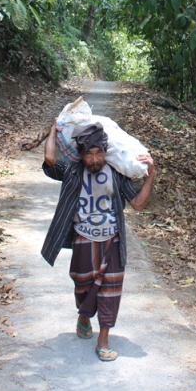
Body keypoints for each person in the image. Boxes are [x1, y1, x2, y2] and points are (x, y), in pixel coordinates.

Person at [41, 119, 155, 362]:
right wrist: (52, 131)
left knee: (110, 291)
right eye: (89, 154)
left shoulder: (116, 173)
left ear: (105, 152)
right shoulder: (72, 171)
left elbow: (138, 204)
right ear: (80, 155)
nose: (94, 160)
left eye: (99, 153)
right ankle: (83, 314)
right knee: (82, 285)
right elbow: (50, 160)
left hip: (111, 239)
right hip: (83, 238)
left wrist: (149, 177)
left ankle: (103, 340)